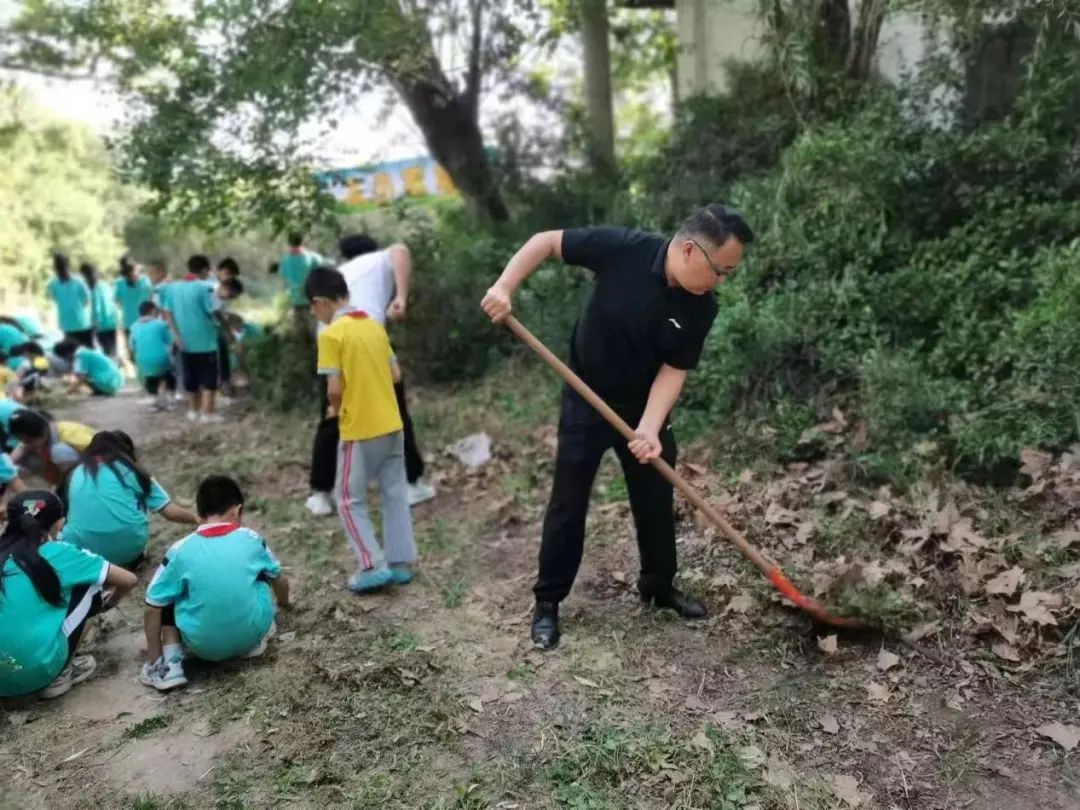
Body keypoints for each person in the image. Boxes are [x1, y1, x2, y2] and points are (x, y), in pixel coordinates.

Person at [481, 204, 754, 650]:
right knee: (568, 502)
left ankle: (658, 586)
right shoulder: (623, 249)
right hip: (584, 396)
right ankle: (548, 602)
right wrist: (504, 286)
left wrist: (649, 428)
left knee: (655, 498)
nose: (722, 281)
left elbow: (674, 369)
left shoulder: (702, 307)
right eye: (720, 271)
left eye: (728, 273)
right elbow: (547, 241)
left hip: (645, 407)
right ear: (689, 251)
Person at [304, 234, 433, 518]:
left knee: (332, 416)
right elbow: (400, 249)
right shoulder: (377, 260)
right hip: (367, 340)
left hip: (330, 341)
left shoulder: (339, 273)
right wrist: (400, 297)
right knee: (395, 411)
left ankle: (320, 494)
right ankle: (412, 484)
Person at [307, 267, 416, 592]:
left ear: (320, 302)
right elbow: (396, 375)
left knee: (347, 498)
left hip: (359, 428)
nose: (315, 314)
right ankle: (400, 563)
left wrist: (337, 412)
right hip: (392, 425)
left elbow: (334, 388)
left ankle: (371, 564)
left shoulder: (331, 335)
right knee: (395, 493)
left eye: (313, 309)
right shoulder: (374, 326)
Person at [140, 475, 291, 691]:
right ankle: (253, 642)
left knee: (165, 595)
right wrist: (284, 604)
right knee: (261, 574)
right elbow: (280, 581)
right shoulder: (251, 538)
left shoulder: (179, 550)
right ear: (237, 510)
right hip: (251, 636)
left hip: (205, 648)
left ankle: (169, 667)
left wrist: (153, 658)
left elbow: (151, 608)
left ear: (199, 514)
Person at [0, 490, 138, 699]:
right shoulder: (61, 552)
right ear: (60, 522)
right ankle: (60, 675)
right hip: (36, 672)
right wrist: (111, 602)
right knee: (91, 587)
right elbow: (128, 580)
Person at [60, 431, 196, 567]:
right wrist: (198, 519)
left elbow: (63, 515)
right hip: (127, 551)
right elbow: (169, 511)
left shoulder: (74, 473)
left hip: (83, 553)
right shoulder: (133, 471)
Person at [163, 255, 225, 423]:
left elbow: (167, 312)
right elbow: (214, 311)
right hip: (206, 340)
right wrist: (225, 327)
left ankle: (192, 411)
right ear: (205, 270)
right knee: (209, 377)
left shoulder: (173, 288)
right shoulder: (207, 287)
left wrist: (175, 334)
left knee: (191, 377)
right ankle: (208, 413)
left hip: (184, 341)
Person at [9, 409, 96, 487]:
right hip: (84, 465)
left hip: (97, 471)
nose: (25, 443)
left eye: (28, 440)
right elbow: (19, 452)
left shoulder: (63, 444)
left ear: (42, 433)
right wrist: (7, 466)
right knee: (29, 459)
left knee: (58, 453)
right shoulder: (48, 430)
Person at [129, 301, 178, 410]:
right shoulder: (160, 324)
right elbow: (170, 341)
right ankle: (170, 399)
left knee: (150, 378)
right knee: (169, 375)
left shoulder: (134, 327)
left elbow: (132, 346)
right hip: (161, 359)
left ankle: (154, 400)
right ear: (153, 311)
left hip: (143, 361)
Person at [47, 253, 92, 348]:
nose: (61, 272)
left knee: (88, 352)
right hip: (67, 326)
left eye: (63, 268)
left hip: (83, 324)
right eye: (58, 269)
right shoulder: (54, 284)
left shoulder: (79, 281)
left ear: (68, 267)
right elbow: (55, 299)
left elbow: (87, 300)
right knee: (72, 355)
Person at [278, 232, 324, 321]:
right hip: (312, 299)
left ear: (288, 243)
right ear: (302, 241)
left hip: (295, 300)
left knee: (300, 329)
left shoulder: (284, 260)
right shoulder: (313, 257)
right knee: (317, 329)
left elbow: (284, 279)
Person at [53, 339, 124, 396]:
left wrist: (69, 391)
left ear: (67, 353)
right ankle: (100, 390)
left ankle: (100, 390)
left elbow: (82, 378)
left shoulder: (81, 357)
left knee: (80, 375)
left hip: (108, 384)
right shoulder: (87, 352)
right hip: (117, 382)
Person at [79, 263, 119, 358]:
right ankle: (115, 366)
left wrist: (93, 325)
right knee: (112, 350)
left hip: (101, 325)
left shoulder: (92, 289)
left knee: (107, 351)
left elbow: (96, 310)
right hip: (111, 322)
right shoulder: (105, 285)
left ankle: (111, 367)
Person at [114, 257, 154, 346]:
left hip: (128, 322)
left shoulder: (119, 283)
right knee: (147, 347)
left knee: (133, 350)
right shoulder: (144, 280)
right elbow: (152, 299)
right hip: (146, 321)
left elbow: (117, 302)